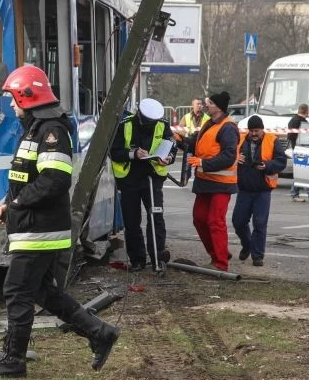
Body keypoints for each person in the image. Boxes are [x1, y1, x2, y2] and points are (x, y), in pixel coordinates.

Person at [0, 65, 119, 379]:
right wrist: (6, 204)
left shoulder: (51, 130)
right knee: (43, 292)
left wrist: (18, 203)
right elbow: (25, 178)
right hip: (31, 225)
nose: (12, 105)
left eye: (14, 99)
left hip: (38, 229)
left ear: (28, 97)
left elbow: (55, 179)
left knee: (17, 291)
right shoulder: (35, 129)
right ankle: (100, 332)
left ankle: (13, 359)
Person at [110, 98, 177, 271]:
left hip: (153, 178)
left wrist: (168, 159)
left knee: (156, 218)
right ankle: (137, 260)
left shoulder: (162, 125)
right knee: (132, 221)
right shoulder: (124, 125)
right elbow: (114, 151)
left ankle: (157, 257)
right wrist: (133, 154)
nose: (149, 125)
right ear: (138, 115)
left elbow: (171, 147)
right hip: (129, 179)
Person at [176, 91, 239, 271]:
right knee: (199, 219)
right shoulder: (208, 124)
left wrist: (203, 162)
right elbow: (194, 144)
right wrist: (179, 140)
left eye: (209, 103)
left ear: (218, 107)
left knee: (215, 221)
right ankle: (218, 253)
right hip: (205, 182)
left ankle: (221, 263)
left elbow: (228, 156)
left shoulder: (228, 128)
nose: (205, 106)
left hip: (221, 184)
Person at [232, 115, 287, 267]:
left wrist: (267, 165)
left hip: (263, 190)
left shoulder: (272, 140)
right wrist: (236, 157)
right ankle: (247, 244)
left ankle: (257, 255)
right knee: (238, 222)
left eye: (256, 131)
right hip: (244, 189)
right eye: (251, 131)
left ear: (262, 130)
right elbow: (229, 153)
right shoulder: (241, 139)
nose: (254, 134)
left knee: (260, 223)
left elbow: (281, 161)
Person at [288, 103, 309, 201]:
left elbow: (290, 136)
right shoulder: (303, 122)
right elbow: (308, 138)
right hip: (302, 149)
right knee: (305, 172)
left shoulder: (292, 120)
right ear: (306, 111)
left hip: (295, 148)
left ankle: (295, 193)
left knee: (299, 172)